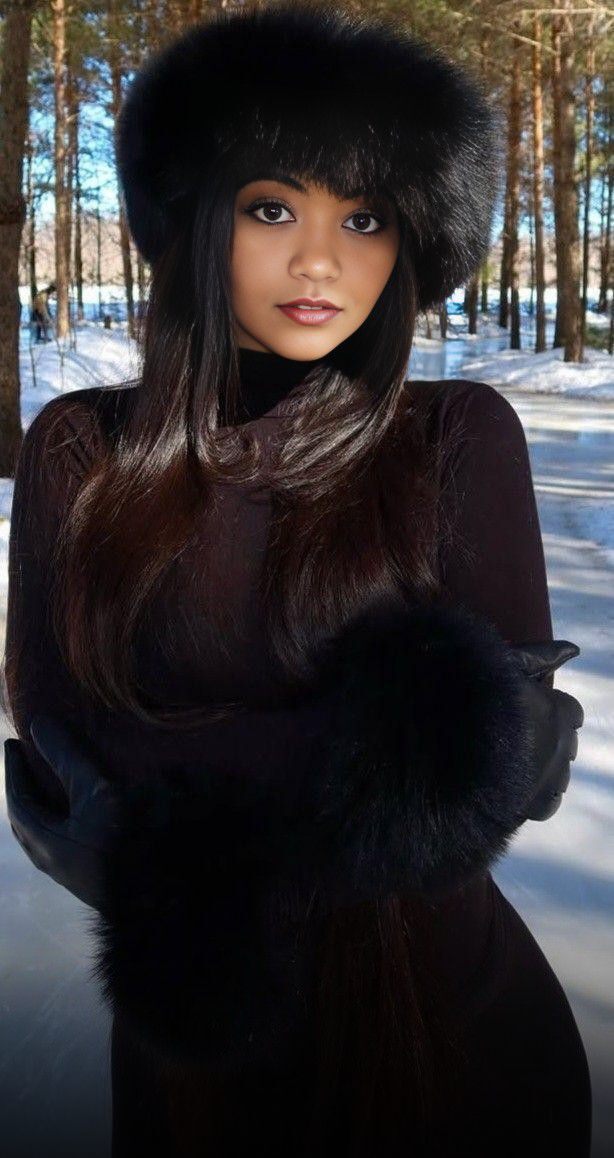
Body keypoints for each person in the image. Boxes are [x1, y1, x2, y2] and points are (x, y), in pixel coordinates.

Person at [2, 4, 591, 1156]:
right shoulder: (81, 450)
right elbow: (61, 755)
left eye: (363, 217)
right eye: (272, 207)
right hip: (194, 1070)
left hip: (457, 1041)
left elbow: (495, 770)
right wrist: (392, 749)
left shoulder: (455, 436)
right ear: (192, 218)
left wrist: (174, 801)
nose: (320, 260)